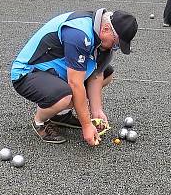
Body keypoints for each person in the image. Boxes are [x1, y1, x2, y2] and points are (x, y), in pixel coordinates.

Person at [11, 9, 138, 145]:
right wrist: (87, 125)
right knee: (66, 96)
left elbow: (96, 76)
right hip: (28, 73)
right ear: (106, 29)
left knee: (108, 74)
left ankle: (60, 116)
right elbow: (75, 83)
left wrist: (96, 111)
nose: (115, 47)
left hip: (59, 71)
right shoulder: (78, 34)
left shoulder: (104, 40)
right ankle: (40, 121)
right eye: (116, 43)